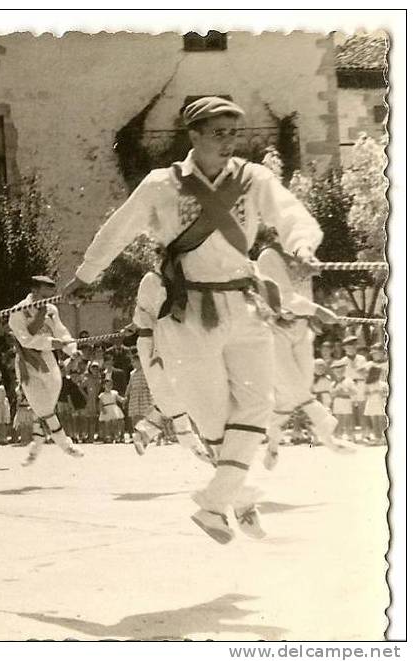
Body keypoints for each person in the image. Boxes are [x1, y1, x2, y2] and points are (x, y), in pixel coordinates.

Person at [62, 97, 325, 544]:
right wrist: (85, 275)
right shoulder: (161, 185)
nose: (228, 143)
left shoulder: (253, 179)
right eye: (218, 133)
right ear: (195, 135)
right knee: (213, 419)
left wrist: (301, 244)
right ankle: (235, 500)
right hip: (187, 313)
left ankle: (214, 502)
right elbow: (117, 230)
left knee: (258, 403)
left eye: (234, 134)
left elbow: (291, 213)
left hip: (244, 306)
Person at [255, 233, 352, 469]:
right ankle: (327, 430)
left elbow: (305, 292)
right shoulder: (269, 257)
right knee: (294, 385)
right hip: (274, 328)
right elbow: (285, 298)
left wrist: (309, 271)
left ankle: (273, 443)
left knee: (296, 391)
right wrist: (319, 311)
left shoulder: (301, 253)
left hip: (300, 328)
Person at [129, 270, 210, 462]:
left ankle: (146, 431)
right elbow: (152, 314)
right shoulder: (152, 279)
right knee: (170, 391)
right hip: (152, 341)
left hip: (170, 338)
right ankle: (191, 443)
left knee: (175, 390)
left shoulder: (180, 279)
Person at [9, 275, 84, 466]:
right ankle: (65, 444)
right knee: (42, 406)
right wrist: (51, 343)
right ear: (35, 291)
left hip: (49, 360)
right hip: (27, 362)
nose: (51, 295)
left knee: (45, 408)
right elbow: (25, 340)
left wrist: (72, 349)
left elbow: (61, 331)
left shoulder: (51, 309)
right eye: (46, 291)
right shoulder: (18, 311)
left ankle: (37, 443)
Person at [362, 344, 388, 445]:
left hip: (383, 391)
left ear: (383, 353)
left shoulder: (387, 364)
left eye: (377, 353)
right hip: (371, 392)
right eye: (373, 353)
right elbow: (365, 377)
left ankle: (384, 436)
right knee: (373, 416)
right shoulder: (368, 365)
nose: (375, 355)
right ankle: (377, 437)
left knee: (382, 415)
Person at [330, 358, 357, 443]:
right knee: (338, 419)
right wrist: (334, 393)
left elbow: (354, 392)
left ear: (344, 370)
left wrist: (344, 392)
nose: (339, 373)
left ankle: (350, 435)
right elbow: (331, 394)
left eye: (341, 371)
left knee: (348, 419)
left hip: (346, 401)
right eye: (337, 371)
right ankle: (338, 435)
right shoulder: (333, 383)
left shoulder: (348, 380)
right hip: (337, 402)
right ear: (334, 372)